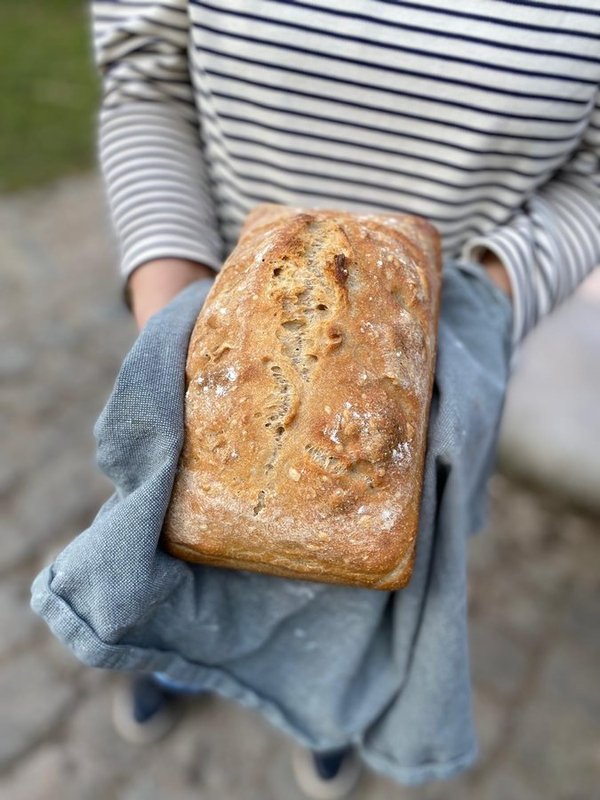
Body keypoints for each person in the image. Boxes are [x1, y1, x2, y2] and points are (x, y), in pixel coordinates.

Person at [90, 1, 599, 796]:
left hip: (442, 364)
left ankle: (327, 714)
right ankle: (179, 662)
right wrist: (168, 314)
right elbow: (145, 76)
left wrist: (482, 301)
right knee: (177, 564)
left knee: (363, 612)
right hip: (216, 342)